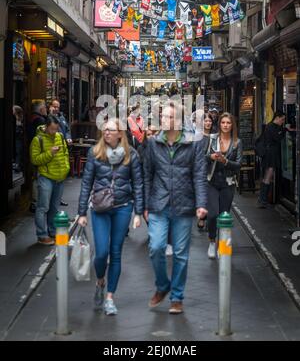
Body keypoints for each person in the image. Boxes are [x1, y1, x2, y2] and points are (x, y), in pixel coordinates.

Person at [143, 102, 208, 314]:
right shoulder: (153, 143)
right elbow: (147, 175)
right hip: (158, 204)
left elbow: (199, 175)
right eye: (163, 116)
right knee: (156, 247)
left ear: (178, 121)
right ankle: (162, 286)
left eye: (169, 117)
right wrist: (144, 205)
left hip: (184, 204)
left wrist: (201, 204)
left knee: (181, 254)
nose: (163, 120)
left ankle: (177, 297)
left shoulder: (194, 144)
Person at [77, 118, 143, 316]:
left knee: (115, 253)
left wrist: (138, 212)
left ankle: (109, 297)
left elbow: (138, 184)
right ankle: (100, 280)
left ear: (120, 133)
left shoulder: (132, 154)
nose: (106, 133)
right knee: (101, 253)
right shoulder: (95, 153)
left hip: (123, 207)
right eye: (105, 130)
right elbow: (86, 183)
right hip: (99, 208)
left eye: (111, 130)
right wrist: (81, 212)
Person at [206, 112, 242, 259]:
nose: (226, 125)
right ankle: (211, 241)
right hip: (212, 180)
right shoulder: (212, 139)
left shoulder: (237, 142)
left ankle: (223, 245)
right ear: (219, 124)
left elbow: (238, 165)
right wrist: (211, 156)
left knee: (224, 215)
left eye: (228, 123)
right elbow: (203, 156)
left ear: (232, 125)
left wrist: (225, 162)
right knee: (213, 214)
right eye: (223, 122)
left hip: (228, 183)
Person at [30, 115, 70, 245]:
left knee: (54, 207)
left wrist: (66, 169)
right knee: (43, 207)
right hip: (46, 177)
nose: (54, 132)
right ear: (46, 127)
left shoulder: (60, 136)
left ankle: (52, 232)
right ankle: (42, 235)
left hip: (60, 177)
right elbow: (35, 160)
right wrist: (50, 153)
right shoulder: (38, 140)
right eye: (52, 129)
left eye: (56, 129)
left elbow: (65, 153)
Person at [257, 111, 288, 208]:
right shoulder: (271, 127)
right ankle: (263, 200)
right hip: (270, 155)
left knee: (268, 176)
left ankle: (263, 199)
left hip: (270, 154)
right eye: (282, 119)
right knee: (268, 176)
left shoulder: (271, 126)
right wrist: (285, 130)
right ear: (277, 118)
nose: (282, 122)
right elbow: (277, 138)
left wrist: (283, 129)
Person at [49, 99, 72, 207]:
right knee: (53, 174)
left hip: (63, 148)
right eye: (54, 106)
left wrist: (68, 138)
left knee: (62, 174)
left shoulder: (62, 117)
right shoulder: (48, 118)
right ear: (50, 106)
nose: (56, 108)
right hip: (52, 149)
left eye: (58, 107)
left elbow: (67, 129)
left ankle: (58, 198)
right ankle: (52, 198)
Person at [28, 101, 48, 213]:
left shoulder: (33, 118)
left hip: (34, 151)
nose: (46, 109)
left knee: (36, 177)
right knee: (37, 178)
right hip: (39, 152)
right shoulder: (40, 120)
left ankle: (36, 202)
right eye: (45, 107)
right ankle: (36, 203)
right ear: (41, 109)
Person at [13, 105, 24, 173]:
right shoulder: (14, 118)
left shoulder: (21, 119)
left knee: (19, 151)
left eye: (13, 110)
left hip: (19, 138)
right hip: (16, 138)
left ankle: (18, 165)